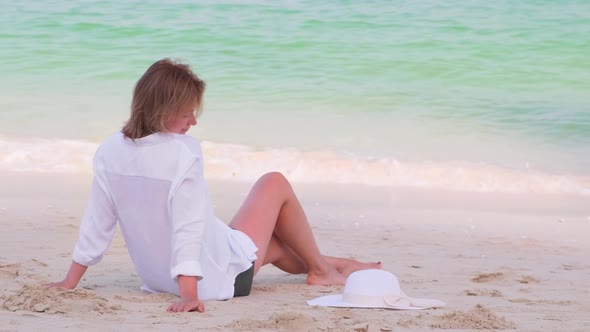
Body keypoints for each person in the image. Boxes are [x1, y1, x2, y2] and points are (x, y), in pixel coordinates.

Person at [46, 58, 381, 313]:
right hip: (213, 281)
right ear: (163, 112)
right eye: (187, 114)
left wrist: (70, 281)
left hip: (158, 279)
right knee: (274, 182)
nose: (194, 121)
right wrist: (190, 294)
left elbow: (97, 221)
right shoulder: (182, 153)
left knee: (274, 247)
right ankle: (322, 269)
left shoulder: (109, 150)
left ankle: (334, 265)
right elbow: (188, 227)